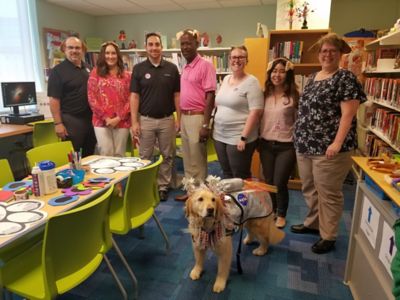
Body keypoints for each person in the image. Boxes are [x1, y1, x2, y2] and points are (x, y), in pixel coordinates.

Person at [290, 33, 366, 254]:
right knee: (310, 188)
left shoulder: (345, 78)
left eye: (332, 50)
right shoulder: (313, 76)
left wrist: (336, 143)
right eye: (324, 50)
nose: (327, 54)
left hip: (330, 149)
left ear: (340, 53)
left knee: (328, 192)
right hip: (305, 145)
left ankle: (329, 235)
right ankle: (313, 223)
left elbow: (348, 115)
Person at [130, 32, 180, 201]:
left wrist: (178, 118)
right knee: (145, 155)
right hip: (146, 120)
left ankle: (163, 186)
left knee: (167, 155)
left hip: (167, 119)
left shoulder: (172, 69)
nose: (154, 48)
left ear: (161, 47)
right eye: (150, 44)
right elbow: (134, 96)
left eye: (156, 44)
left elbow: (177, 95)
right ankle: (145, 185)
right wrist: (134, 121)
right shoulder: (138, 69)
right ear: (146, 47)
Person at [175, 29, 216, 201]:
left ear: (196, 44)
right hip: (185, 117)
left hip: (198, 117)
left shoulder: (205, 65)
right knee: (188, 158)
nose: (185, 47)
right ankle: (191, 192)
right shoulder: (185, 67)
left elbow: (210, 95)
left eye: (188, 43)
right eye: (182, 44)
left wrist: (205, 125)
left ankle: (201, 195)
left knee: (198, 159)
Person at [212, 46, 263, 179]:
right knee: (226, 173)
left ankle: (243, 200)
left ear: (247, 60)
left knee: (240, 176)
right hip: (219, 135)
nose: (237, 60)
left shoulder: (252, 82)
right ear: (229, 59)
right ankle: (230, 200)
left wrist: (243, 138)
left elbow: (255, 112)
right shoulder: (226, 79)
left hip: (238, 137)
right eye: (234, 57)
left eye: (241, 57)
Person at [260, 58, 299, 229]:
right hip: (266, 144)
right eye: (274, 71)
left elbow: (299, 122)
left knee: (280, 181)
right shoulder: (264, 95)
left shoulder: (294, 96)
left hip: (286, 145)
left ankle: (282, 213)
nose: (277, 74)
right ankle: (273, 210)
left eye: (282, 71)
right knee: (268, 181)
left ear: (288, 74)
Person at [48, 36, 97, 157]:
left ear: (83, 50)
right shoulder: (57, 71)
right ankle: (75, 176)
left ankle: (87, 176)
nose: (74, 51)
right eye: (70, 47)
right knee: (74, 157)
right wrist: (58, 124)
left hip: (90, 119)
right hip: (71, 120)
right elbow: (54, 100)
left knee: (89, 155)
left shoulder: (90, 69)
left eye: (77, 48)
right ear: (64, 49)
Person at [87, 41, 131, 157]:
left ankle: (122, 176)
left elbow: (131, 98)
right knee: (106, 153)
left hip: (122, 121)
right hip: (101, 121)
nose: (110, 56)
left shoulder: (127, 76)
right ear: (103, 55)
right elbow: (92, 98)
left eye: (113, 53)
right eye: (107, 53)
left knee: (119, 154)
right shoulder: (95, 73)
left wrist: (119, 117)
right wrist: (106, 118)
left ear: (118, 55)